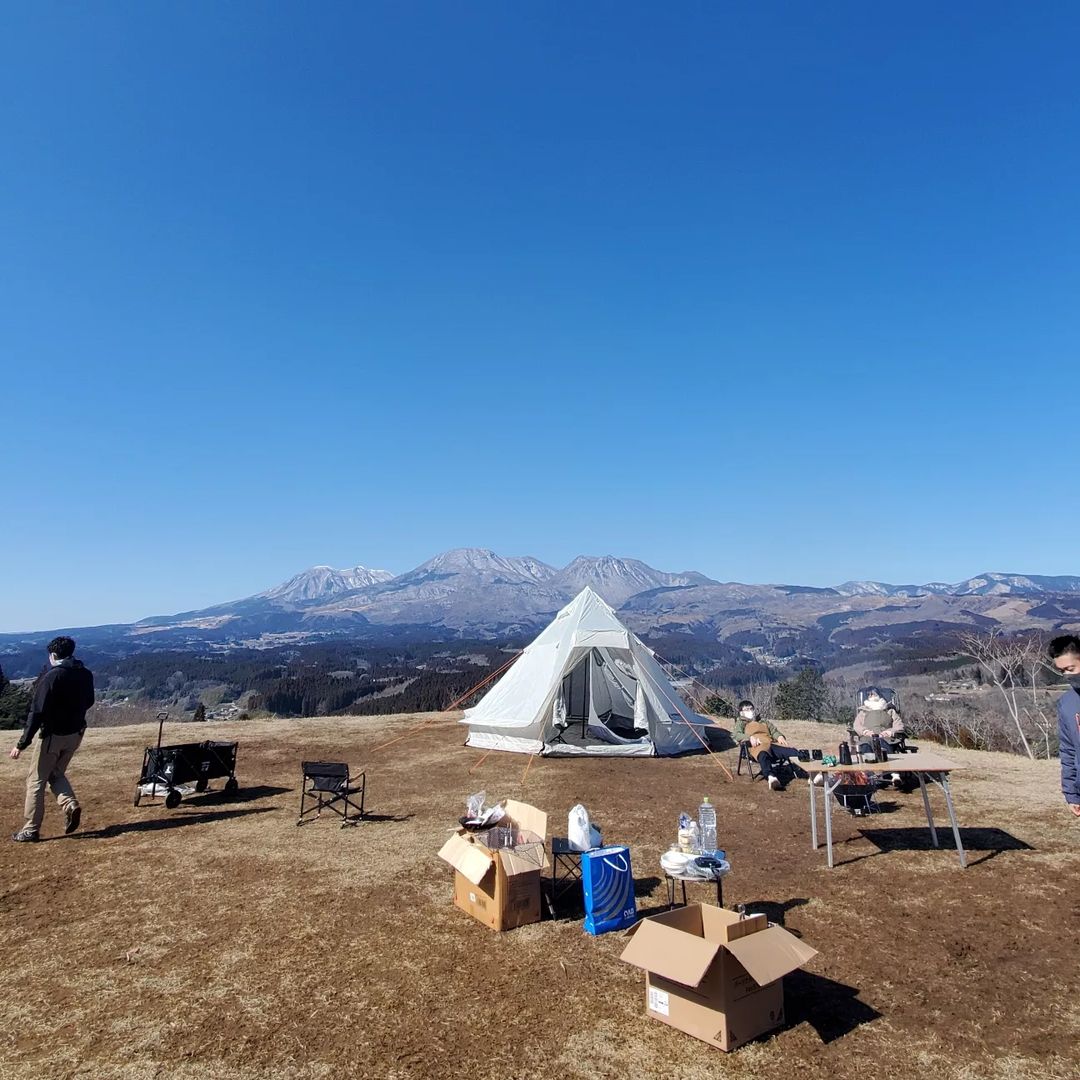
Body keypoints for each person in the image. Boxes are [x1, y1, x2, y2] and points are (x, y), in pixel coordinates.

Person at [8, 636, 95, 842]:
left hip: (52, 736)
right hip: (75, 734)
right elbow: (89, 701)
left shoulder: (52, 677)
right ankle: (70, 805)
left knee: (36, 781)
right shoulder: (84, 673)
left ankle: (30, 829)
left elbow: (36, 713)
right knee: (56, 774)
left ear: (54, 656)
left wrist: (22, 744)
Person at [732, 700, 820, 791]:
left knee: (793, 752)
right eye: (747, 709)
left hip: (770, 745)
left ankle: (812, 774)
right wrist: (749, 737)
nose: (750, 711)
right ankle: (771, 777)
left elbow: (774, 731)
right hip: (755, 747)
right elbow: (736, 735)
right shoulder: (741, 723)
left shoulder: (763, 721)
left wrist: (779, 736)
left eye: (751, 708)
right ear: (741, 712)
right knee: (763, 755)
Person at [1046, 635, 1080, 817]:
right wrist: (1072, 794)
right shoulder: (1067, 704)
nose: (1068, 675)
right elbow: (1069, 751)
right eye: (1063, 671)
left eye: (1071, 669)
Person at [853, 687, 907, 788]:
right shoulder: (863, 711)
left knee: (884, 747)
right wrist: (865, 731)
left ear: (879, 695)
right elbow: (857, 726)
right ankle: (869, 775)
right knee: (865, 748)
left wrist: (890, 732)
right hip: (868, 736)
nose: (872, 696)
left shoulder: (890, 710)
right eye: (869, 695)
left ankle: (894, 775)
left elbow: (899, 726)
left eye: (874, 694)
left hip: (885, 737)